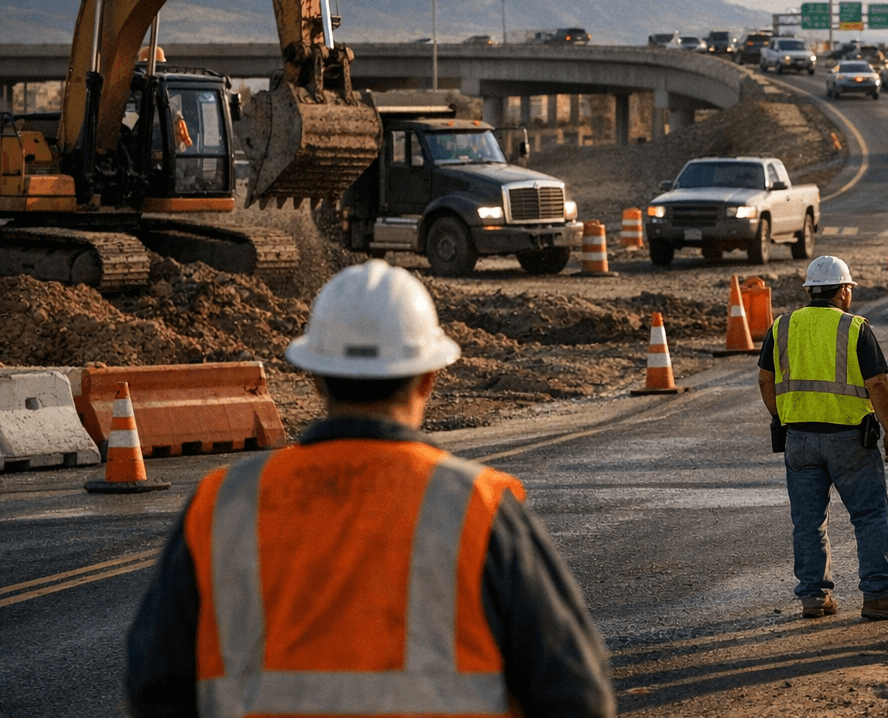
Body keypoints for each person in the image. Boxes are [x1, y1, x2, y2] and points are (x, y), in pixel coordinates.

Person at [126, 260, 615, 718]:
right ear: (427, 379)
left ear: (316, 380)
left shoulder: (224, 504)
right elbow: (574, 692)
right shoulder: (476, 507)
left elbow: (155, 685)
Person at [756, 255, 888, 622]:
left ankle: (814, 598)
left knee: (808, 522)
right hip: (850, 441)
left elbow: (765, 380)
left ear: (810, 291)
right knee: (870, 517)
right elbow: (878, 384)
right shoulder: (854, 327)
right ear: (844, 291)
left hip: (798, 438)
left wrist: (782, 418)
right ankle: (879, 594)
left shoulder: (783, 325)